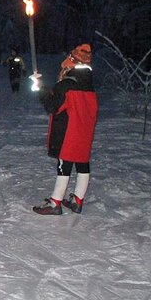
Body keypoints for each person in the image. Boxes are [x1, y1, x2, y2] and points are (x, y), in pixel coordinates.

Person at [32, 44, 98, 215]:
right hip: (84, 130)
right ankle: (78, 199)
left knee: (64, 164)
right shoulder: (88, 83)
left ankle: (56, 202)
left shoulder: (68, 84)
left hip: (68, 131)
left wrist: (40, 88)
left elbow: (52, 105)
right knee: (82, 162)